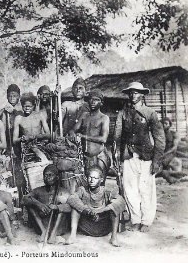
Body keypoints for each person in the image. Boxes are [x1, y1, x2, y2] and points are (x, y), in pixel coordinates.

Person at [114, 82, 165, 233]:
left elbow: (160, 138)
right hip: (129, 156)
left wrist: (156, 160)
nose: (133, 95)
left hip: (146, 156)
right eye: (131, 93)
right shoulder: (123, 113)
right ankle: (135, 219)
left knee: (146, 189)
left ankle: (146, 221)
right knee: (130, 190)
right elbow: (117, 137)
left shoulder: (150, 113)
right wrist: (117, 155)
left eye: (136, 93)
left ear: (142, 94)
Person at [66, 166, 126, 247]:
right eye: (90, 177)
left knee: (115, 208)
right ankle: (73, 236)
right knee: (75, 208)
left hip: (103, 226)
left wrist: (103, 210)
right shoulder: (83, 190)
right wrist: (86, 210)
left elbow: (121, 201)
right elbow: (71, 198)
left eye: (95, 178)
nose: (91, 180)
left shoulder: (107, 190)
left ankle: (114, 238)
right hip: (87, 227)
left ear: (101, 180)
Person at [22, 164, 70, 244]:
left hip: (59, 228)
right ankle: (44, 232)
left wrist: (56, 207)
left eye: (50, 175)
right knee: (30, 203)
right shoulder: (38, 190)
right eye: (45, 175)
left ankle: (53, 235)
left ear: (57, 177)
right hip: (42, 225)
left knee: (62, 208)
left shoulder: (63, 191)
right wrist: (39, 204)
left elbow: (70, 207)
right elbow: (23, 199)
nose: (47, 177)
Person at [69, 89, 111, 177]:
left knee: (98, 183)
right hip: (84, 157)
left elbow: (103, 139)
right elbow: (73, 129)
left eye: (96, 100)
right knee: (85, 183)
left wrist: (83, 136)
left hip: (98, 157)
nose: (93, 102)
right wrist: (72, 133)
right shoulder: (84, 115)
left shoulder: (104, 118)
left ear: (101, 103)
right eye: (91, 99)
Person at [158, 117, 186, 184]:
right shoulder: (158, 134)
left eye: (166, 123)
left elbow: (174, 148)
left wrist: (165, 154)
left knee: (173, 163)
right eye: (162, 123)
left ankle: (176, 175)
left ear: (170, 124)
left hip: (170, 154)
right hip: (161, 154)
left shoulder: (174, 134)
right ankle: (166, 174)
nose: (164, 125)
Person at [0, 84, 23, 152]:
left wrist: (14, 111)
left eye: (15, 96)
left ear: (19, 96)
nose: (12, 98)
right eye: (10, 96)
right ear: (7, 97)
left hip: (20, 138)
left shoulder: (22, 109)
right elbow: (2, 129)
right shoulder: (3, 111)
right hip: (8, 139)